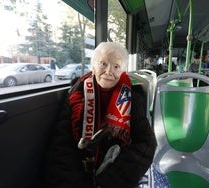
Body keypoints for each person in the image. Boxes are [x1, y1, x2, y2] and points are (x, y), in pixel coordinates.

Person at [45, 42, 157, 188]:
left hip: (115, 172)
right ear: (93, 67)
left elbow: (146, 143)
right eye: (103, 64)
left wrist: (109, 181)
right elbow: (61, 146)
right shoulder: (76, 95)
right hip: (78, 170)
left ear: (122, 71)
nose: (108, 71)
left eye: (116, 67)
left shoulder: (133, 99)